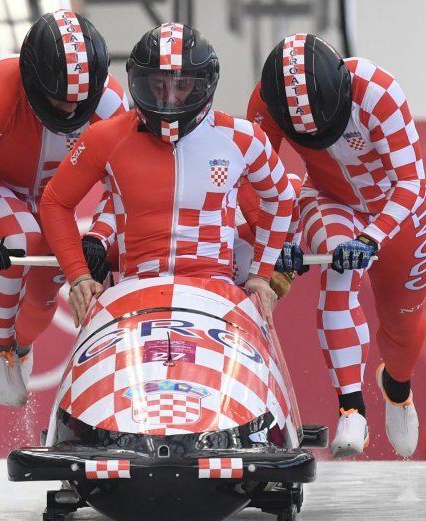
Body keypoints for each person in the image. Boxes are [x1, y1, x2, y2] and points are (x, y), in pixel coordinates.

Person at [40, 23, 295, 325]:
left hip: (216, 292)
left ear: (203, 85)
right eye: (158, 85)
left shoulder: (243, 138)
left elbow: (281, 196)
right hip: (134, 291)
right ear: (139, 83)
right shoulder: (104, 137)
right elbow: (55, 201)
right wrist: (79, 275)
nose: (169, 97)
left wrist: (261, 275)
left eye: (182, 85)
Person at [0, 10, 128, 407]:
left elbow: (127, 184)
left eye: (79, 105)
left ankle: (19, 345)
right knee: (24, 238)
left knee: (43, 299)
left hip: (55, 199)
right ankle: (1, 345)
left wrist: (98, 236)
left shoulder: (112, 102)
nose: (69, 114)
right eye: (58, 101)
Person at [253, 34, 426, 458]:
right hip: (329, 198)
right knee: (339, 271)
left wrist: (372, 237)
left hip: (396, 209)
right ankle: (352, 409)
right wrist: (280, 243)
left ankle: (398, 385)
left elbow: (410, 182)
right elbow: (255, 179)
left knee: (403, 323)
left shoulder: (378, 91)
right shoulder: (264, 103)